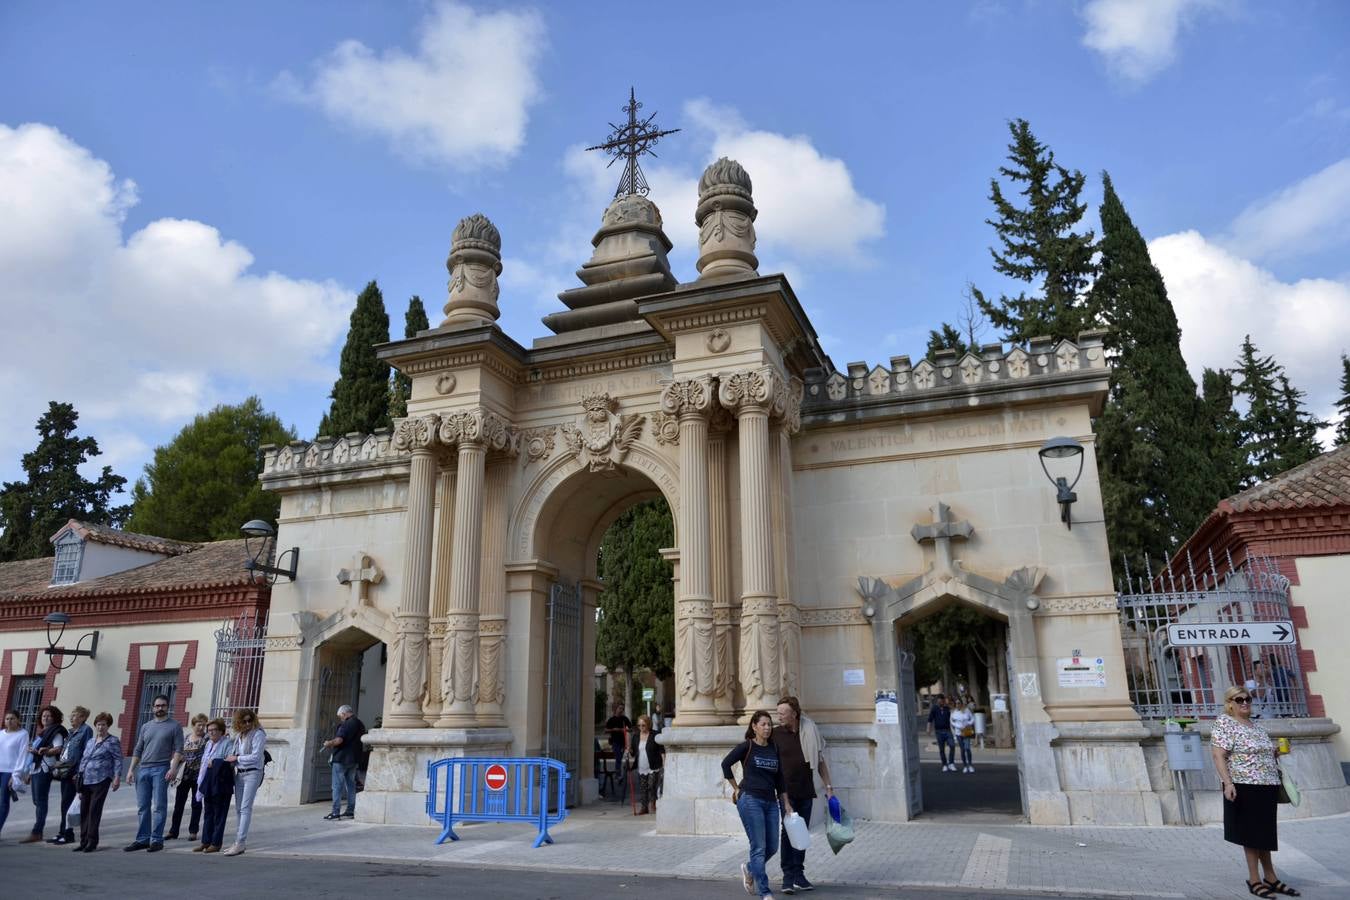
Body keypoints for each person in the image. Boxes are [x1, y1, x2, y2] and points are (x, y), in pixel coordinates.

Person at [1211, 684, 1300, 898]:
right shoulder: (1225, 723)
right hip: (1244, 786)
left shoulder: (1255, 726)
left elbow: (1258, 753)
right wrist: (1228, 783)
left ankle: (1271, 877)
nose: (1244, 703)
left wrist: (1275, 752)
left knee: (1265, 834)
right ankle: (1254, 879)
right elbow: (1218, 755)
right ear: (1230, 704)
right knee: (1250, 835)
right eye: (1239, 700)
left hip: (1267, 786)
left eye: (1247, 699)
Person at [723, 710, 794, 900]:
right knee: (759, 847)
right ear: (754, 727)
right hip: (750, 800)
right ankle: (765, 891)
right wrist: (736, 788)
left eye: (769, 724)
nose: (767, 728)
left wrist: (786, 802)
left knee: (771, 847)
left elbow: (780, 780)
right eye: (763, 724)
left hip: (770, 802)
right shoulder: (747, 746)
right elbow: (725, 764)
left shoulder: (774, 748)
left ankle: (749, 868)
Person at [772, 696, 834, 896]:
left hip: (806, 790)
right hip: (785, 793)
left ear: (794, 714)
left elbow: (820, 761)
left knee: (801, 833)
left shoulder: (810, 731)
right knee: (788, 832)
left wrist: (829, 787)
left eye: (782, 713)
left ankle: (799, 875)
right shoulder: (775, 734)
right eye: (778, 712)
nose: (779, 716)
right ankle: (787, 877)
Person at [123, 693, 184, 852]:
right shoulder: (146, 726)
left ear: (168, 707)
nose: (160, 708)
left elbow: (178, 750)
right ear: (152, 708)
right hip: (143, 769)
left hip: (162, 768)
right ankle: (143, 838)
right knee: (143, 807)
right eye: (157, 706)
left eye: (163, 705)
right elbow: (138, 749)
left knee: (159, 806)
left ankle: (156, 840)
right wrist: (130, 770)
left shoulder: (175, 726)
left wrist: (173, 768)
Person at [74, 711, 121, 852]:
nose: (101, 727)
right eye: (99, 724)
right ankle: (83, 841)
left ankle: (92, 841)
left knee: (94, 810)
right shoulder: (90, 742)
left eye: (104, 725)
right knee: (84, 811)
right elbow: (84, 759)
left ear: (108, 726)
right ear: (95, 725)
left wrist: (117, 777)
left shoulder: (113, 741)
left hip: (101, 779)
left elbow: (118, 759)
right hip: (85, 780)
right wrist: (79, 775)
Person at [223, 707, 266, 856]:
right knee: (239, 808)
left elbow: (255, 756)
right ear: (239, 722)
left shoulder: (258, 734)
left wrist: (237, 759)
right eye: (244, 721)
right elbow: (236, 753)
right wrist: (232, 758)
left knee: (246, 808)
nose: (248, 724)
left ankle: (240, 842)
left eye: (250, 720)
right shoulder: (240, 735)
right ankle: (238, 841)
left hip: (253, 773)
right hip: (239, 774)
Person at [23, 704, 68, 843]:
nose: (45, 718)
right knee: (37, 800)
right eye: (43, 716)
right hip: (36, 768)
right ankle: (38, 829)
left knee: (41, 800)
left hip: (45, 768)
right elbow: (36, 754)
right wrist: (30, 771)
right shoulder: (42, 732)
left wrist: (44, 751)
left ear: (54, 718)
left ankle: (37, 831)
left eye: (48, 716)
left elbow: (58, 749)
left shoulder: (56, 732)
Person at [47, 705, 90, 845]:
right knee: (64, 803)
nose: (71, 718)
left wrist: (79, 772)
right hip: (65, 770)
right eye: (71, 715)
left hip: (73, 772)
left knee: (68, 802)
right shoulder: (71, 732)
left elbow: (86, 752)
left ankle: (68, 834)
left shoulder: (86, 731)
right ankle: (62, 832)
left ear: (83, 717)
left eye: (75, 715)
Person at [195, 718, 234, 853]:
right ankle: (205, 841)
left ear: (222, 731)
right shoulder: (208, 744)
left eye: (214, 730)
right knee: (208, 813)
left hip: (221, 782)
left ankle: (216, 842)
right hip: (209, 781)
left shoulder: (227, 743)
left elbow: (230, 759)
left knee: (219, 814)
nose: (211, 733)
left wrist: (216, 761)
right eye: (209, 730)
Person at [167, 713, 208, 841]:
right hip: (184, 775)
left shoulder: (207, 739)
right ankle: (173, 831)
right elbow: (178, 753)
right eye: (199, 725)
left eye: (203, 725)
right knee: (179, 804)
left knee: (196, 804)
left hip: (198, 776)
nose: (201, 728)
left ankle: (193, 831)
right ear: (193, 725)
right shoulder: (186, 738)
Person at [322, 704, 366, 820]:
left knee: (337, 786)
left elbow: (339, 740)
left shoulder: (346, 724)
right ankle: (350, 810)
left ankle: (335, 812)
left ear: (344, 713)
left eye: (340, 716)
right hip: (354, 759)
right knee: (351, 785)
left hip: (341, 759)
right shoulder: (360, 723)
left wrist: (328, 743)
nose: (340, 718)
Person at [0, 710, 31, 841]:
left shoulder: (23, 734)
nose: (9, 721)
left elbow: (22, 756)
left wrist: (16, 775)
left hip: (9, 771)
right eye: (7, 719)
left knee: (3, 802)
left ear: (18, 720)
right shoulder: (1, 733)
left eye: (12, 718)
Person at [626, 714, 664, 815]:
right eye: (639, 725)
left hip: (654, 765)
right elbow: (634, 753)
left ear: (648, 724)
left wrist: (664, 763)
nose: (641, 728)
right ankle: (644, 807)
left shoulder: (655, 734)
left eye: (643, 725)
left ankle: (653, 803)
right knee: (643, 788)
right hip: (641, 765)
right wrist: (629, 750)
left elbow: (661, 750)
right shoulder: (636, 736)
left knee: (651, 785)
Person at [604, 702, 632, 798]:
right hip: (615, 741)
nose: (621, 710)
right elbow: (606, 730)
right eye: (620, 708)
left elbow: (630, 728)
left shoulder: (624, 719)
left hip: (623, 741)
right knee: (618, 758)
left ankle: (620, 773)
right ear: (616, 709)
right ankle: (618, 774)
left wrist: (625, 730)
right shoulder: (611, 720)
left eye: (622, 709)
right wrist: (614, 730)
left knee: (622, 758)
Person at [926, 694, 956, 771]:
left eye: (942, 701)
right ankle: (944, 764)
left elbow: (953, 713)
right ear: (937, 701)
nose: (940, 702)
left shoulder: (947, 708)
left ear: (943, 700)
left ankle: (951, 763)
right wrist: (928, 729)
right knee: (941, 749)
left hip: (947, 731)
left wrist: (948, 703)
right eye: (939, 701)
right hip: (938, 731)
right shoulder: (934, 708)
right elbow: (930, 719)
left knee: (952, 745)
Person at [950, 698, 976, 774]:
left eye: (959, 703)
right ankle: (965, 766)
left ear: (961, 703)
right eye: (956, 703)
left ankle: (970, 765)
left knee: (967, 748)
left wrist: (968, 724)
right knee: (962, 750)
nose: (958, 705)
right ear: (955, 704)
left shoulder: (966, 710)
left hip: (966, 731)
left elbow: (972, 718)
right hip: (958, 733)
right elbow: (951, 722)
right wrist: (958, 726)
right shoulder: (953, 712)